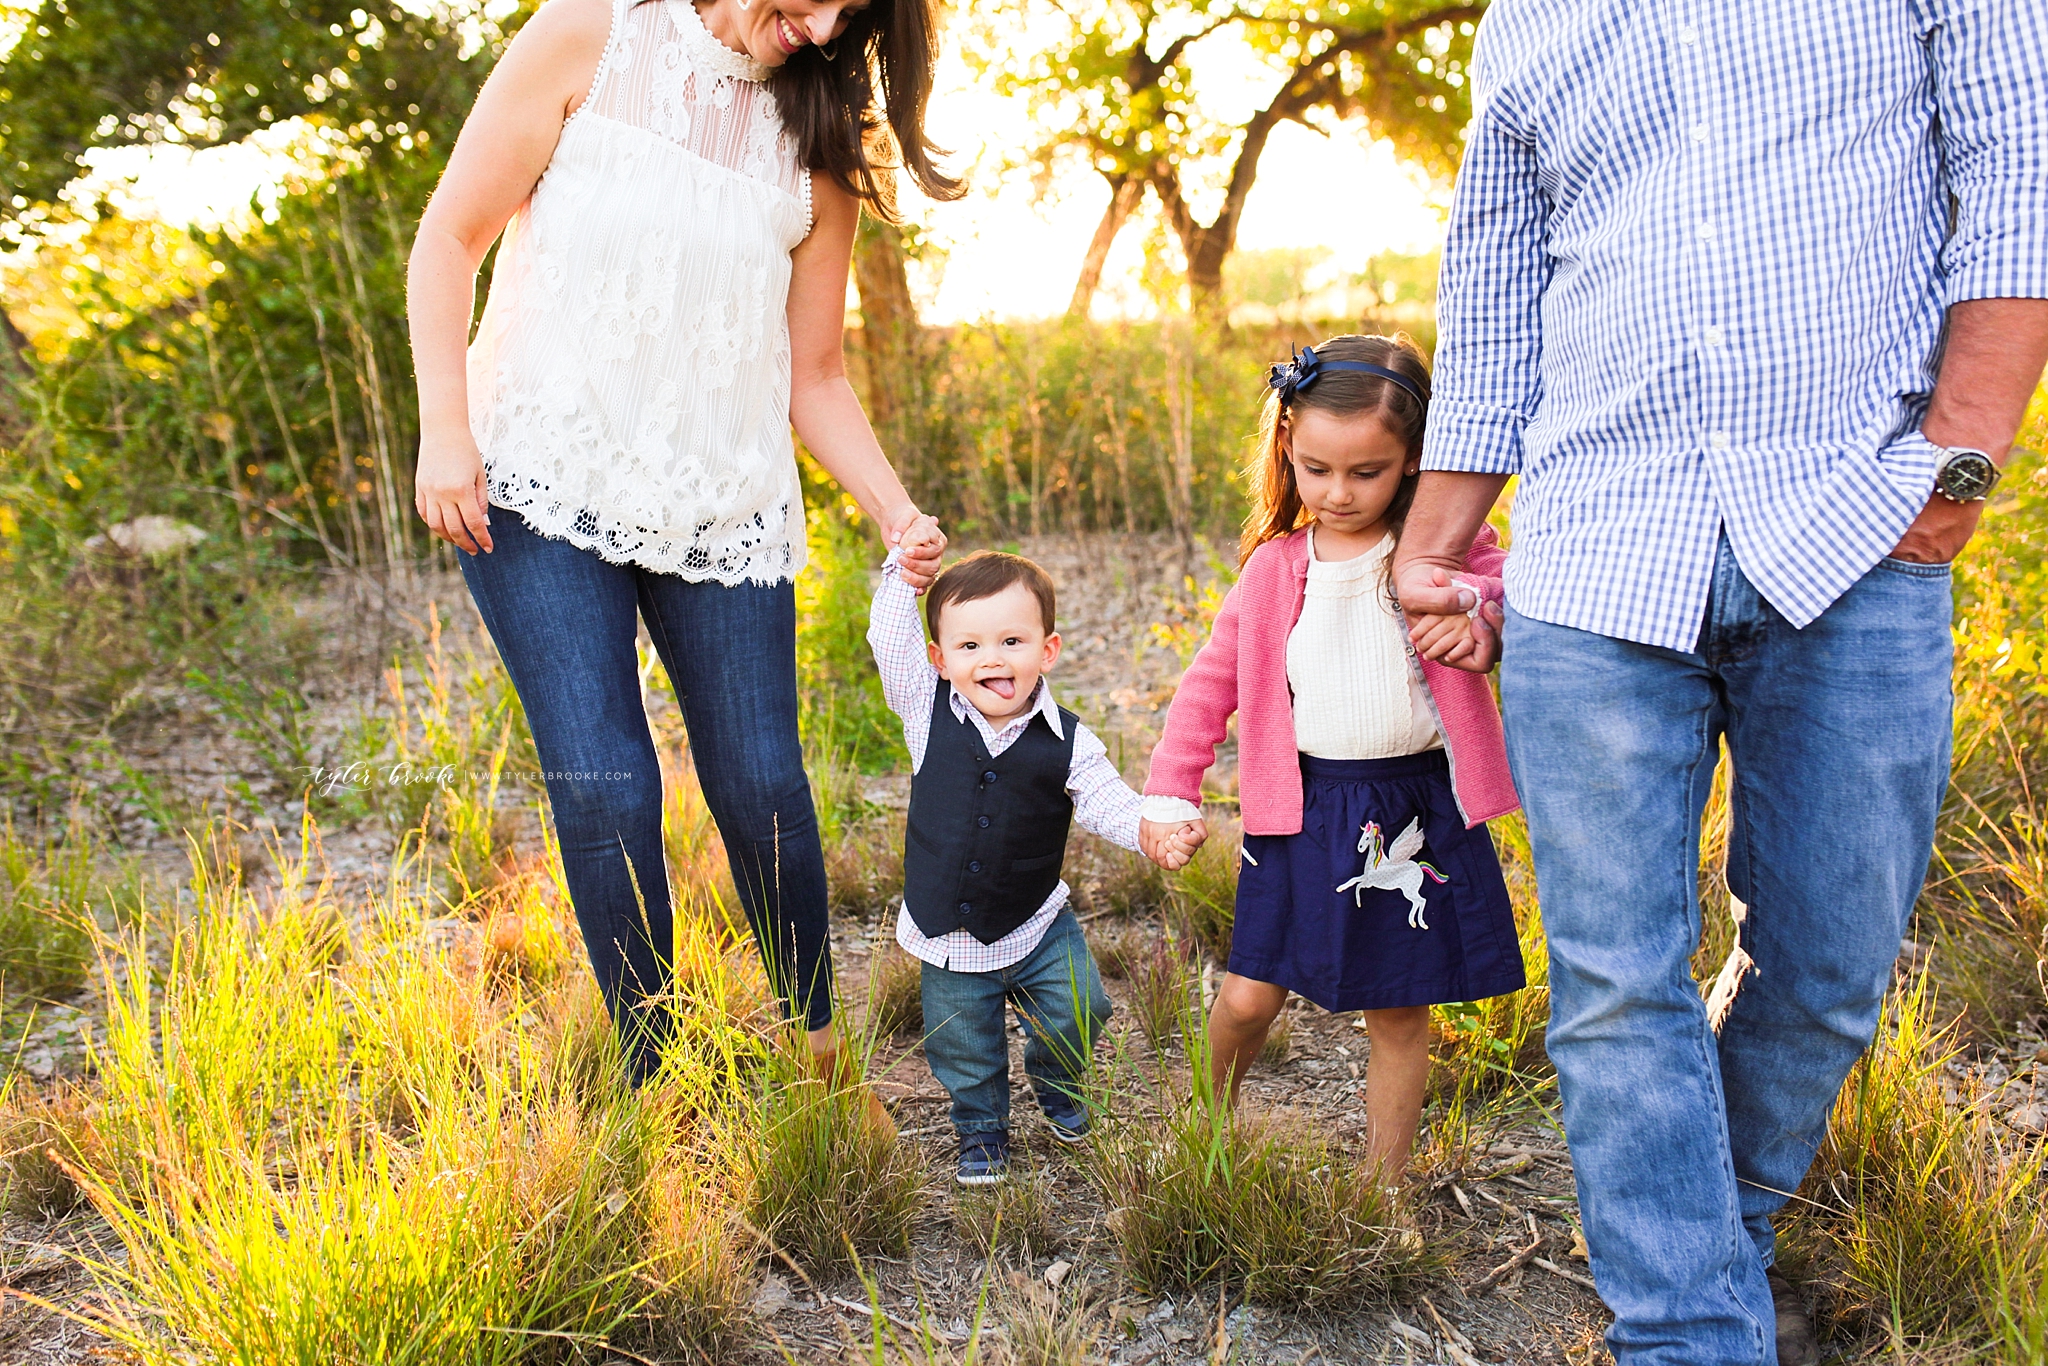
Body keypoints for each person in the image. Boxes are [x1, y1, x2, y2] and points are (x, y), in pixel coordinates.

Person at [1392, 3, 2048, 1361]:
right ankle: (1688, 1327)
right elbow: (1497, 285)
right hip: (1595, 549)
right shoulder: (1526, 25)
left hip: (1858, 523)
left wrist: (1963, 465)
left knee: (1825, 964)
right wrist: (1432, 540)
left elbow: (2018, 174)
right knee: (1617, 984)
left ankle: (1710, 1239)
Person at [405, 0, 960, 1099]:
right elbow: (449, 238)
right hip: (538, 481)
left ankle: (819, 1058)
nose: (817, 26)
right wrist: (444, 428)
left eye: (846, 14)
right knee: (608, 787)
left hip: (721, 499)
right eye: (807, 0)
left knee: (762, 786)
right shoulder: (587, 37)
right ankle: (652, 1076)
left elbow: (815, 374)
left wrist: (896, 512)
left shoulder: (821, 136)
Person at [1141, 334, 1525, 1183]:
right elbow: (1211, 684)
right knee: (1247, 996)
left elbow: (1516, 593)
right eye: (1317, 470)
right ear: (1287, 450)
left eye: (1367, 473)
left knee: (1397, 1013)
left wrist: (1476, 614)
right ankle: (1204, 1131)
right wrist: (1173, 788)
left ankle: (1383, 1190)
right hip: (1303, 809)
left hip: (1416, 807)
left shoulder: (1447, 554)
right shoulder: (1278, 569)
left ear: (1415, 460)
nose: (1338, 494)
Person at [867, 530, 1198, 1184]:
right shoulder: (924, 712)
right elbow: (889, 640)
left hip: (1036, 924)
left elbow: (1108, 799)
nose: (992, 658)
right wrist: (903, 574)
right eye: (970, 646)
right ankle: (982, 1129)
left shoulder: (1069, 740)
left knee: (1081, 1009)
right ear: (938, 659)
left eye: (1012, 641)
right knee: (964, 1046)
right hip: (948, 935)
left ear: (1047, 650)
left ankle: (1058, 1082)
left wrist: (1151, 828)